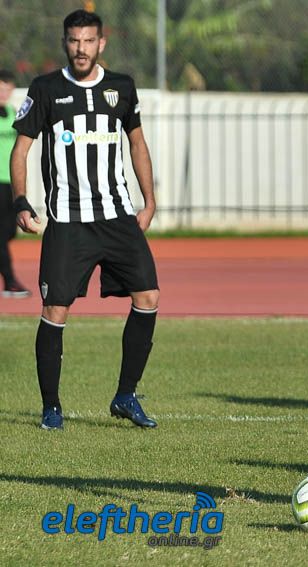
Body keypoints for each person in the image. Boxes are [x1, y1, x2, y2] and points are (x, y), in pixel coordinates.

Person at [11, 10, 159, 430]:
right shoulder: (45, 89)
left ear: (101, 44)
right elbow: (21, 150)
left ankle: (126, 395)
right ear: (65, 43)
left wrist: (149, 202)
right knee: (55, 308)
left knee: (148, 297)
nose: (81, 48)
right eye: (74, 40)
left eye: (88, 41)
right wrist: (21, 200)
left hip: (117, 216)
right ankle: (51, 408)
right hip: (68, 221)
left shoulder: (122, 87)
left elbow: (137, 145)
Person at [0, 69, 30, 297]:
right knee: (1, 234)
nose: (3, 92)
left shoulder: (13, 113)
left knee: (10, 231)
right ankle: (10, 281)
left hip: (10, 182)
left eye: (7, 88)